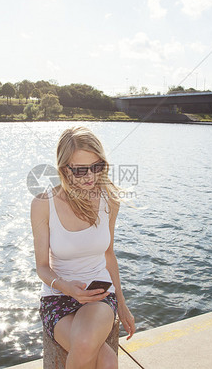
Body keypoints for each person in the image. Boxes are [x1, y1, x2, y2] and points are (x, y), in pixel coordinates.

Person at [31, 126, 136, 368]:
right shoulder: (43, 204)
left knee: (87, 341)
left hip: (98, 294)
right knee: (107, 363)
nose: (90, 176)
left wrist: (122, 304)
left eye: (97, 167)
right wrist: (66, 287)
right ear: (63, 169)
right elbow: (42, 267)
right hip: (57, 296)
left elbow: (109, 255)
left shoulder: (109, 200)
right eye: (80, 170)